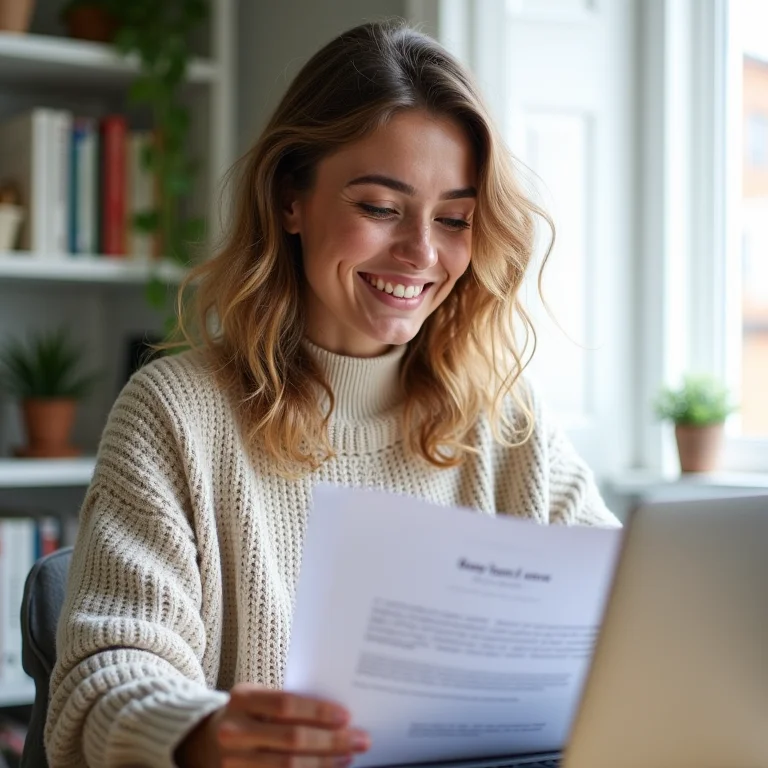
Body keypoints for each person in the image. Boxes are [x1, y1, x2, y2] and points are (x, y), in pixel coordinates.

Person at [45, 19, 619, 768]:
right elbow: (99, 680)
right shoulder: (175, 415)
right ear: (292, 200)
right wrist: (204, 736)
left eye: (454, 219)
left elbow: (628, 620)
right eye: (380, 207)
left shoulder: (504, 419)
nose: (421, 253)